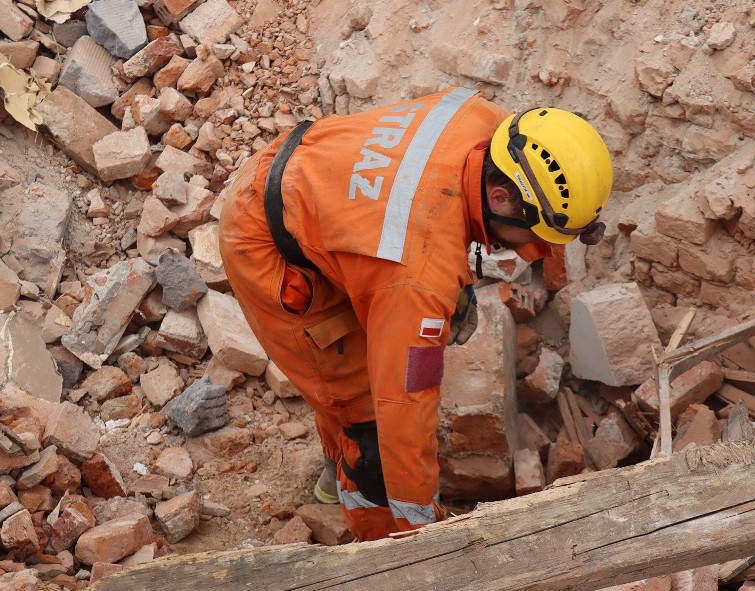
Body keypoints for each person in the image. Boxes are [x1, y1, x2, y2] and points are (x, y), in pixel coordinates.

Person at [218, 86, 613, 541]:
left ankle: (341, 472)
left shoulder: (489, 124)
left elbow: (432, 217)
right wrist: (424, 536)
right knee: (366, 424)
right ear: (502, 197)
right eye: (531, 234)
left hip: (319, 179)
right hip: (267, 242)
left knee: (393, 335)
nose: (528, 248)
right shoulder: (417, 280)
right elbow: (402, 419)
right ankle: (375, 544)